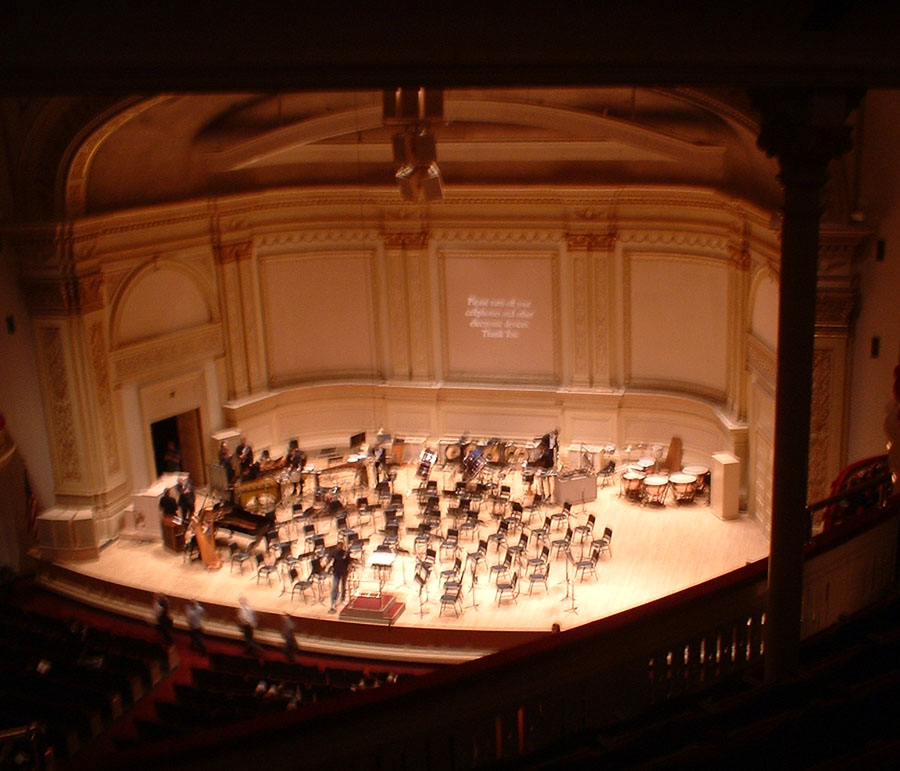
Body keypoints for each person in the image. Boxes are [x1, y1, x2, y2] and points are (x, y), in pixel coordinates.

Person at [328, 541, 351, 614]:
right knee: (335, 587)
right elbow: (329, 558)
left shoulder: (345, 553)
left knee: (343, 586)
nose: (340, 547)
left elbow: (349, 562)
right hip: (336, 572)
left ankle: (343, 598)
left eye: (341, 546)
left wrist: (349, 569)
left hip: (344, 572)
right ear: (337, 546)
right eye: (339, 546)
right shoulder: (334, 552)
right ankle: (333, 603)